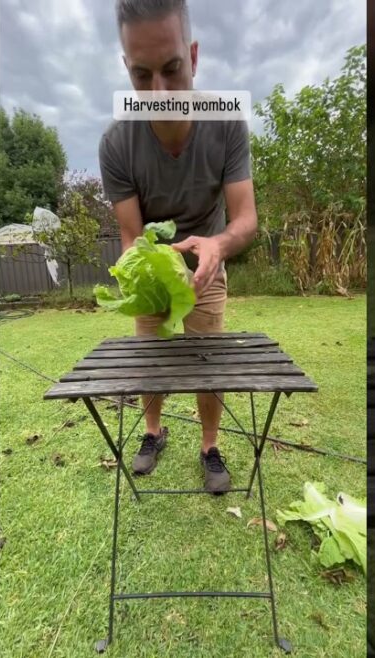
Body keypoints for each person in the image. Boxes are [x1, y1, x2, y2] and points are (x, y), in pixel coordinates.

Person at [98, 0, 258, 494]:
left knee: (207, 364)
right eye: (142, 76)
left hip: (207, 269)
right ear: (126, 67)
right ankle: (152, 432)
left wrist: (218, 245)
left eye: (172, 70)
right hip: (155, 274)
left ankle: (210, 445)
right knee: (150, 362)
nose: (160, 92)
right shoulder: (116, 144)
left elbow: (246, 219)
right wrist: (136, 268)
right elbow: (130, 235)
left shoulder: (227, 122)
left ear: (193, 55)